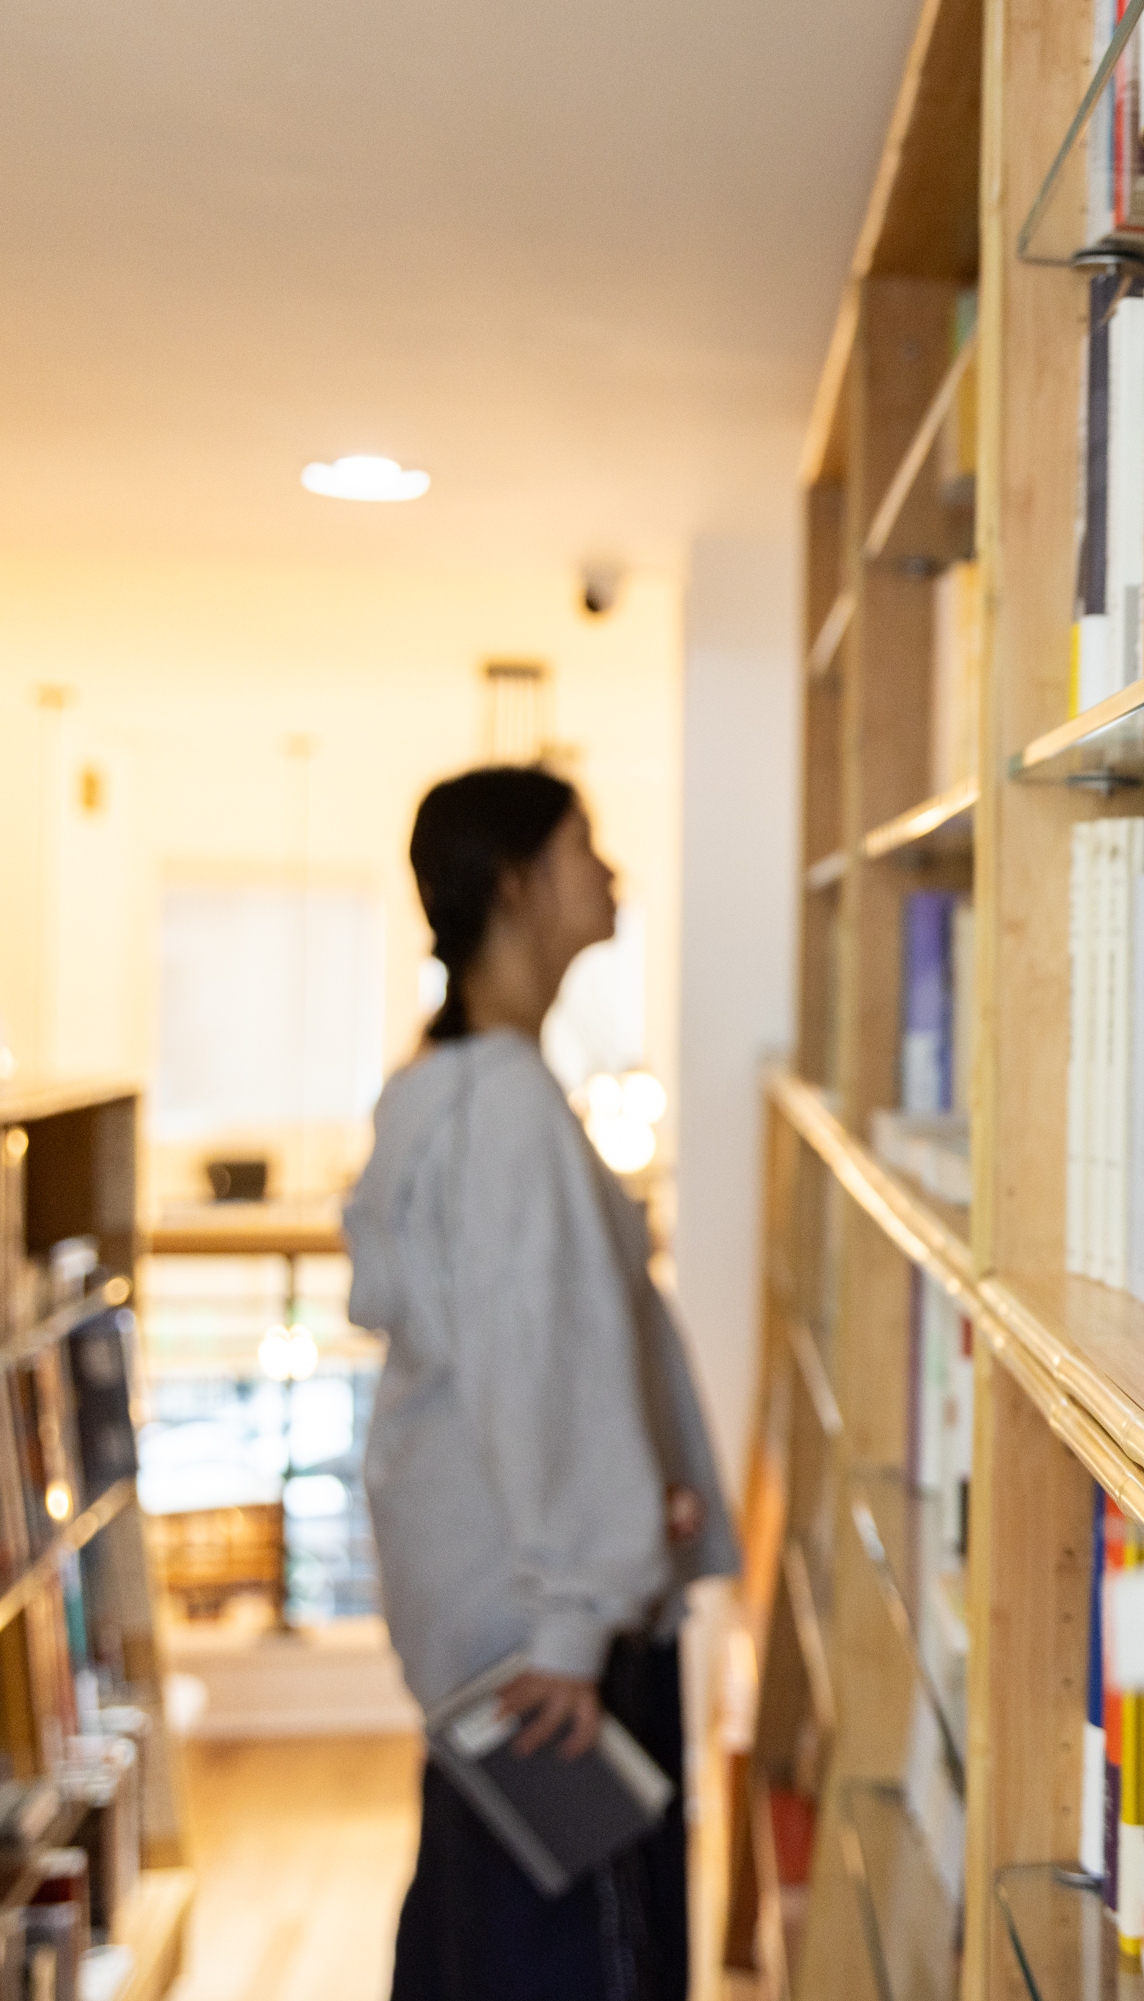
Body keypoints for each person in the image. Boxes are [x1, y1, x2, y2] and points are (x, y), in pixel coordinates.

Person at [345, 765, 738, 2001]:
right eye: (584, 847)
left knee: (477, 1943)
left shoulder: (454, 1092)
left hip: (494, 1629)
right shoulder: (509, 1112)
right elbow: (541, 1369)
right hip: (547, 1655)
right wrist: (577, 1616)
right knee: (580, 1962)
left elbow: (530, 1368)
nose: (608, 872)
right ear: (518, 883)